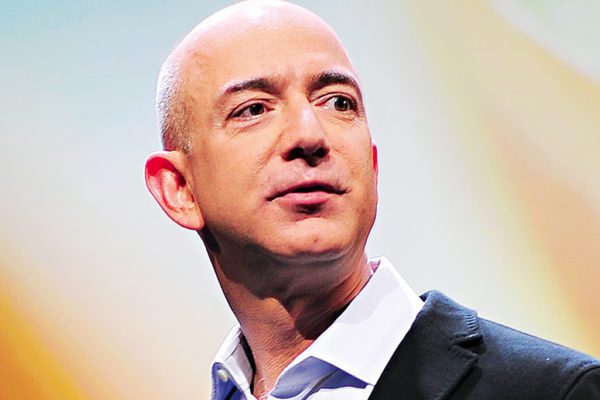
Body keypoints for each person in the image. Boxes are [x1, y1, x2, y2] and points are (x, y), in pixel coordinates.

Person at [144, 1, 600, 399]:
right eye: (254, 109)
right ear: (179, 189)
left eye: (338, 102)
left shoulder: (556, 391)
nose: (310, 135)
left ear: (373, 167)